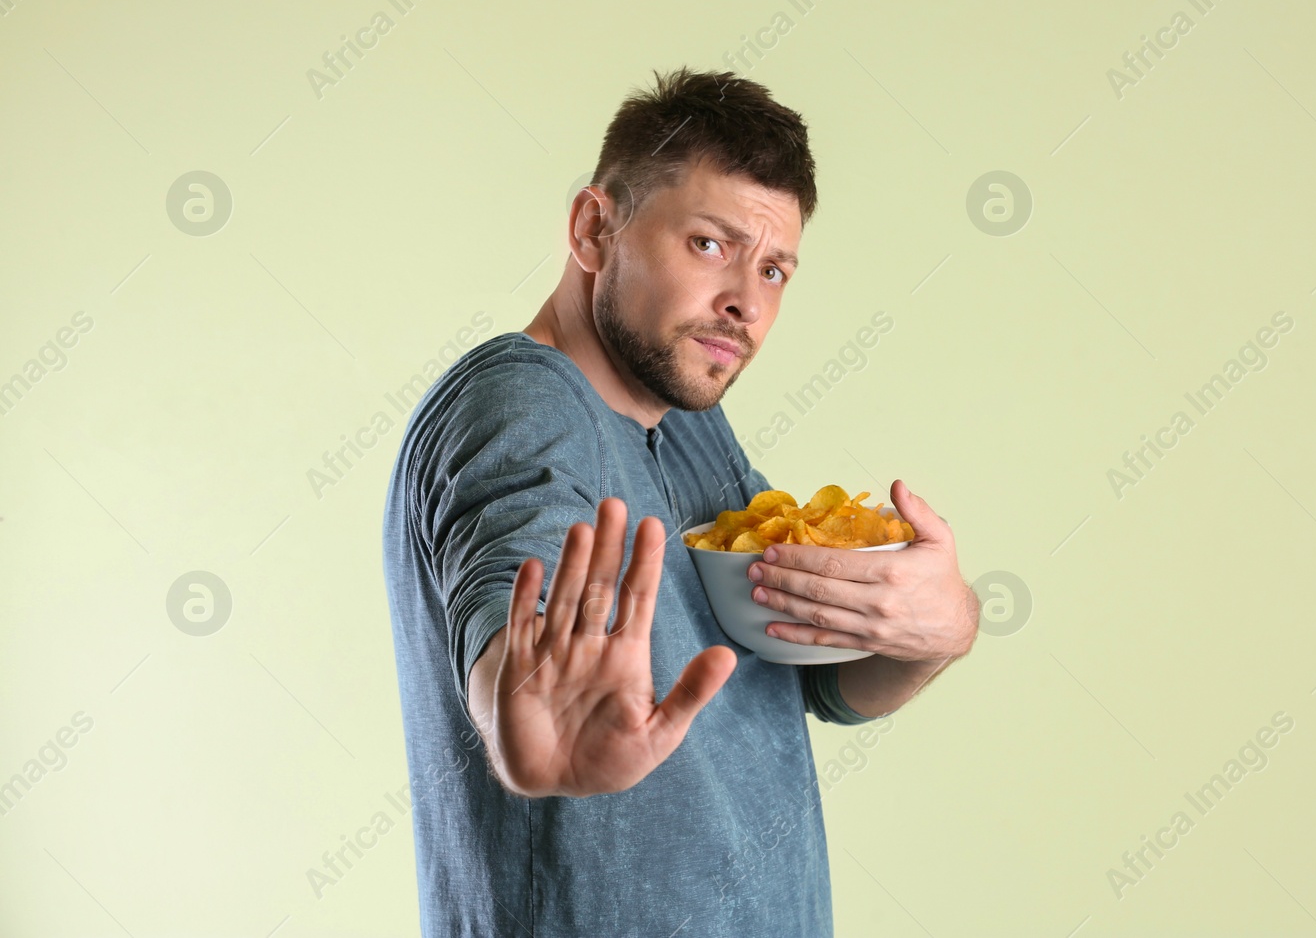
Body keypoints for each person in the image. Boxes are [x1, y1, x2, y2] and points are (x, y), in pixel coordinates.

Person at [381, 66, 979, 936]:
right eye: (709, 244)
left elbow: (822, 680)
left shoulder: (690, 422)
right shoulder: (520, 406)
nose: (745, 301)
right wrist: (523, 721)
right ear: (595, 229)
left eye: (774, 268)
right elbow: (513, 609)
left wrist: (935, 627)